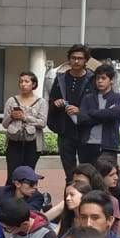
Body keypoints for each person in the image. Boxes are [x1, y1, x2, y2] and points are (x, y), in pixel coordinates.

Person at [47, 45, 93, 180]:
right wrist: (56, 104)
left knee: (87, 172)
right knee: (69, 173)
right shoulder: (60, 78)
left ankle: (87, 200)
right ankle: (70, 199)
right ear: (69, 60)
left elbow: (97, 106)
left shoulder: (93, 79)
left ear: (85, 61)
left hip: (86, 131)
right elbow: (52, 100)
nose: (76, 61)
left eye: (80, 58)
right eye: (73, 58)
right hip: (65, 130)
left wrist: (81, 111)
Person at [77, 63, 120, 171]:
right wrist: (104, 115)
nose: (99, 81)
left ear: (111, 80)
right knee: (86, 179)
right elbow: (81, 119)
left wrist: (91, 112)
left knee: (107, 179)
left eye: (103, 78)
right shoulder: (87, 98)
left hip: (108, 146)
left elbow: (114, 114)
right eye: (98, 78)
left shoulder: (118, 98)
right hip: (87, 145)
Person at [2, 71, 48, 185]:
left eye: (26, 81)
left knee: (28, 174)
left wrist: (25, 117)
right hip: (14, 141)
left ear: (33, 84)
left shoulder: (41, 102)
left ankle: (28, 200)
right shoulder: (12, 100)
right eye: (21, 81)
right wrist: (11, 116)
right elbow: (4, 124)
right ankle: (9, 200)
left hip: (33, 143)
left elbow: (42, 123)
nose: (23, 84)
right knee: (12, 174)